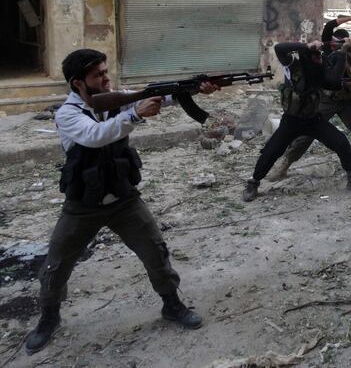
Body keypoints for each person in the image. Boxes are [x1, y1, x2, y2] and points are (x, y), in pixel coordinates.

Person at [25, 49, 219, 355]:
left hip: (123, 197)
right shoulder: (67, 114)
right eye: (98, 75)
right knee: (57, 264)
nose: (106, 78)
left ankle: (171, 304)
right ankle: (49, 318)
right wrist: (136, 114)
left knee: (155, 251)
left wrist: (193, 89)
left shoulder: (115, 98)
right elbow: (96, 135)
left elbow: (161, 97)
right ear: (78, 83)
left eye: (105, 71)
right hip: (83, 205)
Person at [268, 15, 351, 182]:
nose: (337, 44)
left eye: (341, 43)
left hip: (346, 101)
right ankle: (285, 164)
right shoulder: (327, 51)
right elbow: (329, 27)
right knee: (307, 134)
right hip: (326, 101)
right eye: (335, 41)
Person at [242, 38, 351, 202]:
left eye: (319, 55)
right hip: (291, 121)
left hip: (314, 120)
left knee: (341, 143)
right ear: (307, 56)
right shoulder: (292, 66)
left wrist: (343, 51)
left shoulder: (320, 70)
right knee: (271, 151)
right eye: (315, 56)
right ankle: (253, 183)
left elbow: (334, 81)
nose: (319, 58)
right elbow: (280, 48)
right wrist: (306, 46)